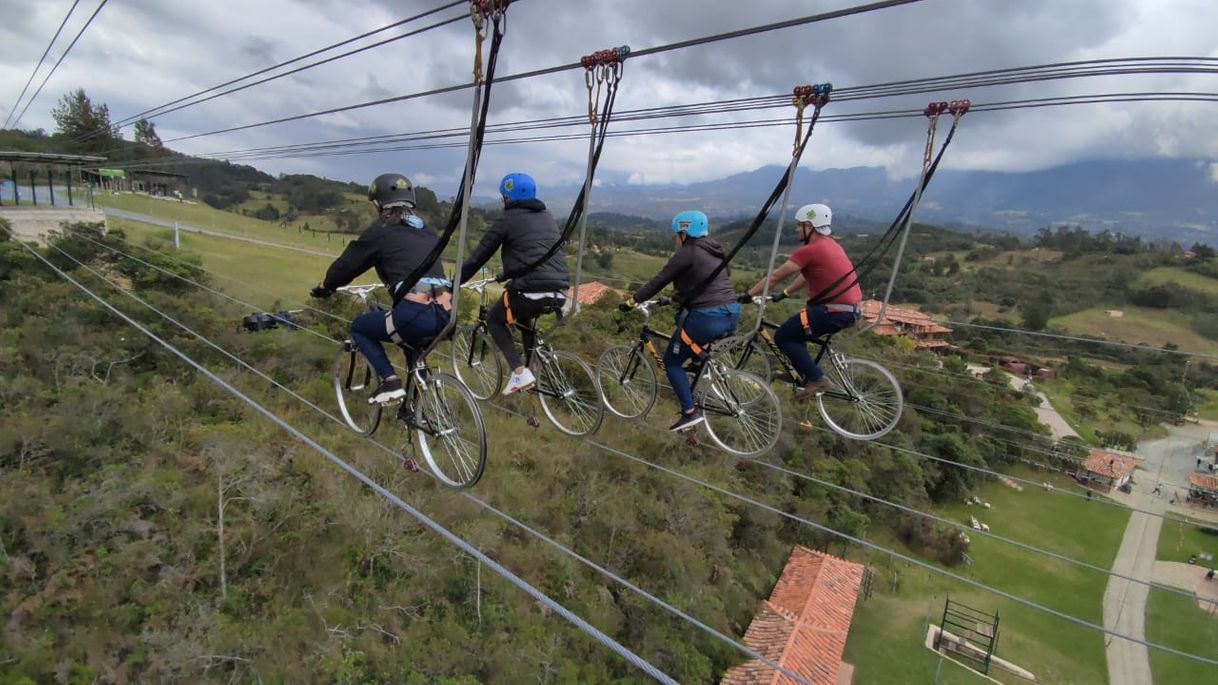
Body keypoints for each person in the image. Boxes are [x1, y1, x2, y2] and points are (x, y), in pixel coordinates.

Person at [309, 173, 451, 404]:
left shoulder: (382, 230)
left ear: (378, 204)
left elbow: (348, 265)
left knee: (360, 327)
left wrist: (327, 286)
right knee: (411, 342)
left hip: (414, 315)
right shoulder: (427, 231)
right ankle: (421, 404)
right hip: (445, 314)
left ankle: (390, 382)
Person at [621, 210, 739, 432]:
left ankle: (689, 412)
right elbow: (703, 283)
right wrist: (674, 299)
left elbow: (660, 280)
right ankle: (697, 364)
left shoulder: (688, 252)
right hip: (730, 312)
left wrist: (632, 301)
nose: (676, 239)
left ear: (685, 233)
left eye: (677, 234)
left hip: (707, 317)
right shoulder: (714, 250)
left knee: (672, 362)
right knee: (682, 321)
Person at [459, 173, 570, 395]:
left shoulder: (508, 218)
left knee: (494, 319)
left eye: (503, 197)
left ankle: (519, 372)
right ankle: (532, 365)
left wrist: (454, 283)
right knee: (524, 318)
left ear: (507, 198)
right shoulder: (547, 216)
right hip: (560, 290)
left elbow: (478, 257)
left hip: (530, 288)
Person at [745, 203, 861, 400]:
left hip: (830, 311)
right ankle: (804, 372)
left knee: (783, 336)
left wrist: (748, 295)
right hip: (850, 310)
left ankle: (817, 379)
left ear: (811, 226)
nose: (797, 229)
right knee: (797, 332)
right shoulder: (832, 244)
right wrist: (785, 293)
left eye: (800, 225)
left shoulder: (809, 250)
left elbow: (775, 276)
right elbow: (808, 275)